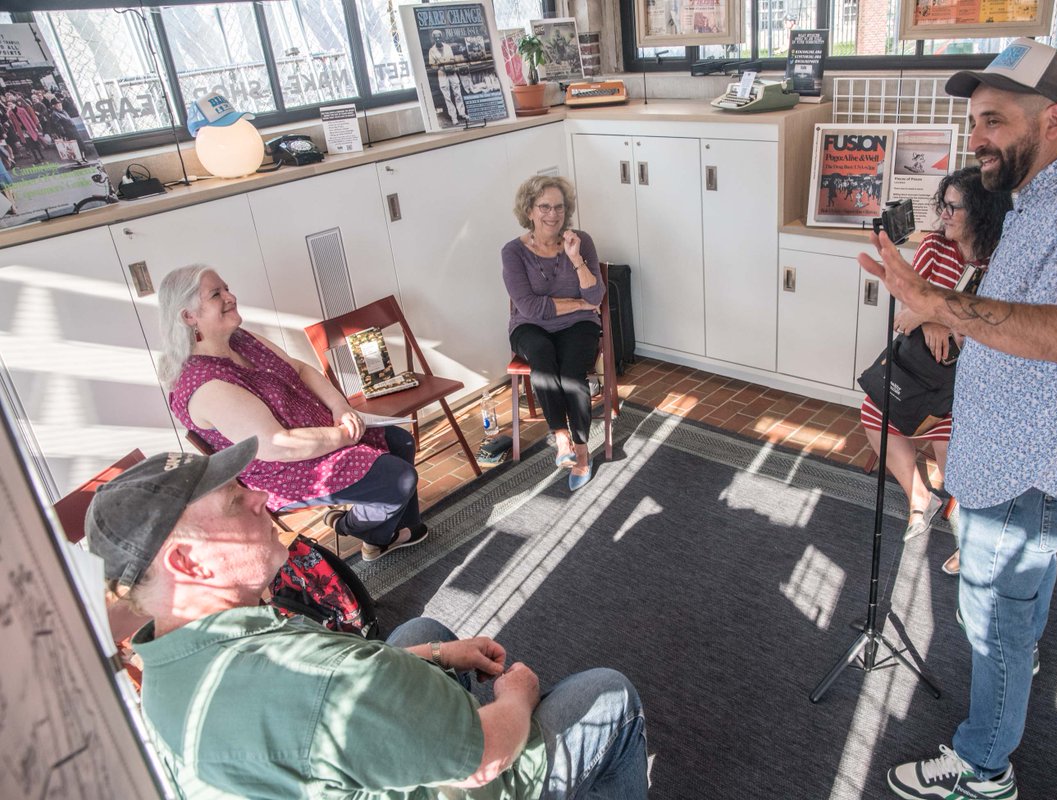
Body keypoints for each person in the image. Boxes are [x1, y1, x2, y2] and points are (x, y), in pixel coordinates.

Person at [859, 39, 1057, 799]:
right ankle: (1016, 666)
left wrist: (941, 306)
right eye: (974, 121)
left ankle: (983, 764)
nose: (975, 138)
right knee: (1017, 606)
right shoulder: (1035, 201)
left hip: (1030, 465)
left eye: (993, 121)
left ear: (1052, 120)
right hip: (1012, 454)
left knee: (992, 618)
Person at [86, 439, 649, 799]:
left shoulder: (162, 667)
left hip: (336, 755)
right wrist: (518, 698)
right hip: (461, 770)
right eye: (236, 501)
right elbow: (483, 758)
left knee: (423, 633)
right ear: (188, 563)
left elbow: (325, 695)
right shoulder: (318, 674)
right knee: (607, 693)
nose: (259, 496)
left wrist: (431, 658)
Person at [157, 265, 425, 562]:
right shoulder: (205, 385)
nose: (231, 296)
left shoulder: (240, 339)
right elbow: (277, 445)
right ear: (188, 316)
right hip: (288, 469)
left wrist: (340, 407)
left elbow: (299, 368)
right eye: (216, 294)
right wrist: (343, 435)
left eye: (227, 288)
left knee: (401, 442)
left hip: (319, 430)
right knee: (399, 479)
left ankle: (388, 534)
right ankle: (359, 528)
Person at [859, 165, 1011, 576]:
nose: (943, 214)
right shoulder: (933, 248)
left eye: (953, 207)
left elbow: (993, 330)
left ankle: (970, 535)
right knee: (875, 410)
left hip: (967, 381)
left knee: (949, 441)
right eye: (941, 205)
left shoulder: (1000, 263)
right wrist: (931, 320)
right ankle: (918, 497)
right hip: (919, 369)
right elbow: (905, 314)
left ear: (981, 211)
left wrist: (941, 318)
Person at [502, 175, 605, 491]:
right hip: (529, 328)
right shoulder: (513, 252)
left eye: (559, 207)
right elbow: (532, 309)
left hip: (579, 327)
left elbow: (596, 297)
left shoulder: (581, 241)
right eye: (544, 206)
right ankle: (561, 435)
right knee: (544, 356)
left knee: (572, 374)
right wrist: (578, 303)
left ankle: (582, 451)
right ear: (529, 211)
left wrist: (576, 260)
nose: (553, 214)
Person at [428, 29, 467, 126]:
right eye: (435, 37)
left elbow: (453, 59)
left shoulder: (448, 47)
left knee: (457, 93)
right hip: (442, 73)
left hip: (452, 71)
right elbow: (432, 65)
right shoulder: (432, 51)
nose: (437, 39)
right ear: (433, 39)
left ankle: (462, 113)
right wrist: (441, 67)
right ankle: (454, 117)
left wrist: (452, 66)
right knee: (447, 96)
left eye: (439, 37)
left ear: (441, 37)